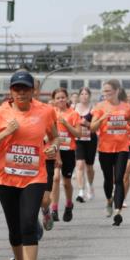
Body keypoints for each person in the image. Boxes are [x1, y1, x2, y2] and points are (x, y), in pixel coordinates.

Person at [0, 70, 57, 260]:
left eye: (25, 89)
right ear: (11, 91)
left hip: (34, 177)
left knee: (28, 223)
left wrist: (53, 147)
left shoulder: (45, 111)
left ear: (33, 91)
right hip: (5, 178)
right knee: (14, 228)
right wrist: (7, 132)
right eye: (16, 89)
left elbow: (54, 136)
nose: (21, 93)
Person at [90, 79, 130, 227]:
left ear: (117, 91)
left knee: (119, 179)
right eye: (104, 91)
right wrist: (102, 118)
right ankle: (109, 200)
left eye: (108, 91)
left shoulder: (126, 107)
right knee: (108, 180)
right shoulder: (100, 107)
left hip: (122, 148)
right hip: (105, 148)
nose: (105, 93)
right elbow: (92, 128)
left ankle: (118, 212)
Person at [50, 87, 81, 222]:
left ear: (67, 98)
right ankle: (54, 209)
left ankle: (69, 205)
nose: (61, 100)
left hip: (68, 151)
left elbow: (78, 134)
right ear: (54, 100)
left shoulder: (73, 114)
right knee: (55, 178)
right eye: (58, 98)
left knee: (66, 182)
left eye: (63, 97)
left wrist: (66, 124)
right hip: (54, 149)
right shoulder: (51, 113)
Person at [73, 86, 96, 202]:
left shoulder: (93, 109)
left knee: (89, 167)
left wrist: (88, 124)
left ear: (89, 96)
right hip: (78, 139)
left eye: (86, 94)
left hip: (91, 139)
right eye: (82, 94)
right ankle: (81, 191)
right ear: (79, 96)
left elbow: (96, 125)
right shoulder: (73, 108)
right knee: (80, 164)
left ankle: (90, 186)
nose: (84, 96)